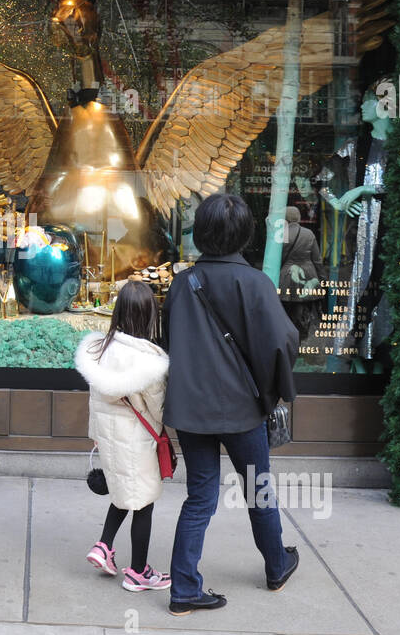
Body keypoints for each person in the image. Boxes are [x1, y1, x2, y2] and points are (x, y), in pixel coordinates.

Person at [162, 193, 301, 613]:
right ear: (245, 234)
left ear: (200, 232)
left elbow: (172, 345)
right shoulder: (255, 282)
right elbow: (281, 342)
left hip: (192, 408)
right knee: (259, 489)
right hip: (243, 409)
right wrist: (273, 389)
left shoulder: (183, 283)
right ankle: (276, 566)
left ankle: (184, 589)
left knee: (199, 497)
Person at [74, 280, 172, 591]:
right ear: (148, 316)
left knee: (123, 491)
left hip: (110, 439)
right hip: (137, 443)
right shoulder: (149, 360)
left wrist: (96, 436)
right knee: (143, 502)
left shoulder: (99, 350)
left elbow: (94, 401)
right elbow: (160, 410)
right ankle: (139, 572)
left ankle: (103, 546)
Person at [277, 206, 326, 342]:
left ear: (285, 218)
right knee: (305, 312)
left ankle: (289, 340)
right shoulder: (309, 233)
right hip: (308, 275)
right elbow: (317, 259)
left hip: (286, 276)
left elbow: (277, 258)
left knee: (286, 312)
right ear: (298, 217)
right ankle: (302, 339)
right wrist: (323, 279)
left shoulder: (281, 233)